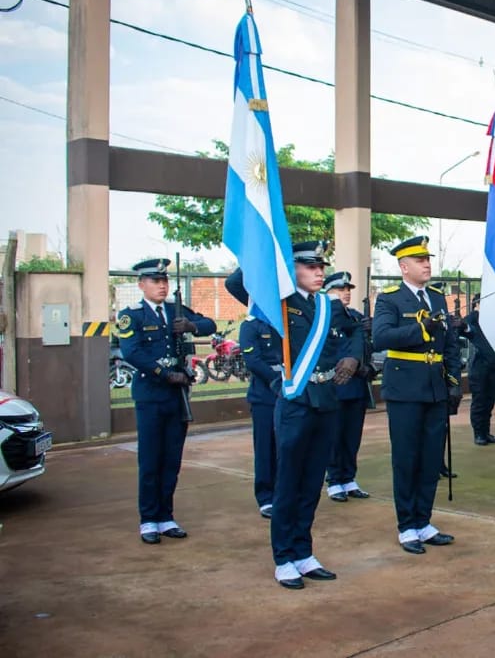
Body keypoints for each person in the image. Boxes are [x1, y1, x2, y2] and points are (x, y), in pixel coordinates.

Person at [226, 240, 364, 589]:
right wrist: (272, 251)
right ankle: (283, 556)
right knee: (288, 483)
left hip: (326, 400)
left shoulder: (326, 306)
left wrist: (353, 357)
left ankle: (304, 551)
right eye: (310, 267)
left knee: (312, 482)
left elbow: (356, 332)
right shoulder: (277, 305)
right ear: (292, 270)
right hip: (295, 404)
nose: (319, 272)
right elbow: (237, 283)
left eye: (321, 267)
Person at [116, 258, 217, 545]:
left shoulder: (175, 310)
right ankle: (149, 518)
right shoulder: (132, 315)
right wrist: (164, 373)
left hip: (177, 395)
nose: (161, 285)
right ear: (141, 284)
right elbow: (132, 353)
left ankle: (166, 516)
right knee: (151, 459)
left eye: (164, 280)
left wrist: (190, 325)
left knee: (172, 459)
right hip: (151, 394)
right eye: (154, 281)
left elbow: (208, 323)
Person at [372, 236, 461, 555]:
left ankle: (424, 520)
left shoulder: (437, 298)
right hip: (405, 388)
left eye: (428, 259)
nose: (427, 264)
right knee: (407, 458)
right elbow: (380, 337)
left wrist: (453, 379)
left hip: (434, 386)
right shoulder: (390, 299)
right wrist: (420, 330)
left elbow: (449, 341)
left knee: (430, 459)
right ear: (403, 266)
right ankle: (407, 525)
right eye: (420, 260)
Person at [323, 271, 374, 503]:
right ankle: (334, 480)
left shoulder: (355, 316)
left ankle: (349, 478)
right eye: (339, 289)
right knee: (334, 436)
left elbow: (365, 347)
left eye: (347, 290)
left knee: (352, 436)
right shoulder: (325, 315)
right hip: (336, 384)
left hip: (356, 384)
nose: (345, 293)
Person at [239, 315, 281, 519]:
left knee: (287, 447)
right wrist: (278, 380)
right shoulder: (251, 325)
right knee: (265, 447)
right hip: (264, 394)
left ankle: (284, 493)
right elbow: (253, 360)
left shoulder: (284, 320)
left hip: (290, 393)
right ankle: (266, 497)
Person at [460, 294, 495, 445]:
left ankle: (486, 431)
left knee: (489, 400)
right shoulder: (472, 318)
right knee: (480, 400)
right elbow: (463, 329)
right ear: (477, 304)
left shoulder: (492, 320)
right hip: (479, 366)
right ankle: (479, 433)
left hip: (493, 365)